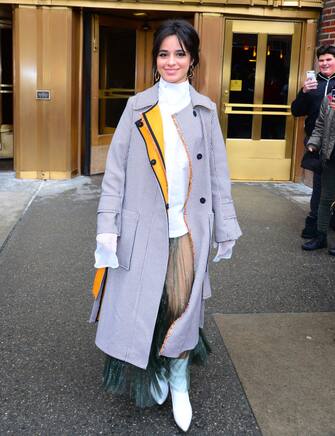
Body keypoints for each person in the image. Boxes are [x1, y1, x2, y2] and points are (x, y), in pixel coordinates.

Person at [89, 19, 242, 432]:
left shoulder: (205, 111)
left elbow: (218, 178)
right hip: (141, 232)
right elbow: (116, 174)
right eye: (163, 53)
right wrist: (108, 227)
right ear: (155, 58)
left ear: (192, 60)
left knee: (180, 307)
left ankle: (179, 379)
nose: (171, 61)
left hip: (187, 231)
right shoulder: (138, 108)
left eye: (180, 53)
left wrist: (225, 226)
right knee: (147, 306)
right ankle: (153, 372)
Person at [291, 45, 335, 239]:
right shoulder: (312, 83)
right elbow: (296, 111)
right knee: (319, 186)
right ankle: (315, 223)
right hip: (316, 141)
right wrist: (303, 92)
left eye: (329, 59)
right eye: (321, 60)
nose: (324, 63)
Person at [301, 94, 335, 255]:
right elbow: (320, 125)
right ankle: (320, 237)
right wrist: (313, 143)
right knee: (325, 198)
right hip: (330, 156)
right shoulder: (330, 98)